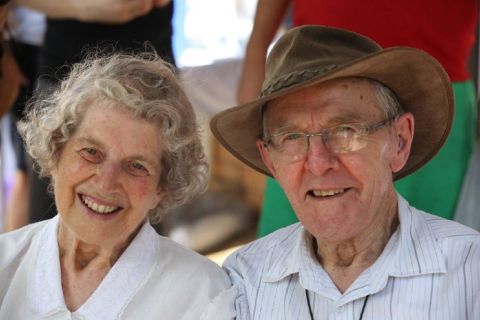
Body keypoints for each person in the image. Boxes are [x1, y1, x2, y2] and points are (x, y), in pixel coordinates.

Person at [211, 26, 480, 319]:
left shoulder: (469, 271)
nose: (318, 162)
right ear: (271, 161)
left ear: (399, 141)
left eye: (344, 131)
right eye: (292, 138)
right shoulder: (245, 280)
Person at [0, 53, 235, 319]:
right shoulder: (5, 264)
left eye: (136, 166)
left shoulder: (202, 294)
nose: (106, 182)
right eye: (91, 152)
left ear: (162, 188)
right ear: (56, 154)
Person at [238, 0, 479, 236]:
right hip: (305, 87)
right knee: (289, 247)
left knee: (429, 247)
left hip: (432, 88)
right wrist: (256, 49)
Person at [6, 0, 176, 229]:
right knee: (47, 218)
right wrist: (82, 7)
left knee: (142, 221)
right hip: (63, 72)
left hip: (149, 74)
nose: (105, 183)